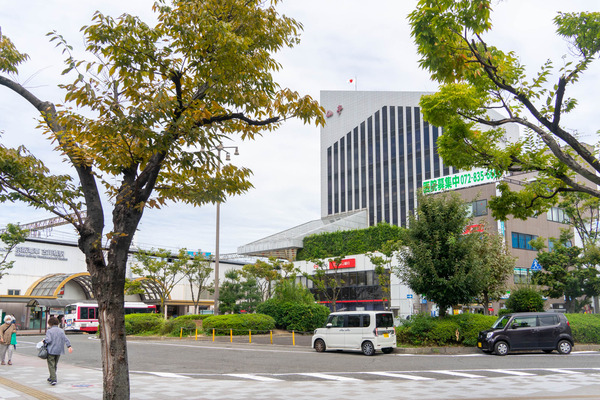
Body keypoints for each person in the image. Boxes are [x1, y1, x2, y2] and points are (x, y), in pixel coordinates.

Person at [44, 316, 73, 385]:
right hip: (59, 350)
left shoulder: (49, 331)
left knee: (51, 364)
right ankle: (51, 377)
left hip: (51, 350)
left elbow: (49, 340)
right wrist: (69, 346)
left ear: (50, 323)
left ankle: (53, 379)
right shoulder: (61, 330)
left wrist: (44, 341)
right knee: (55, 364)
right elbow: (66, 339)